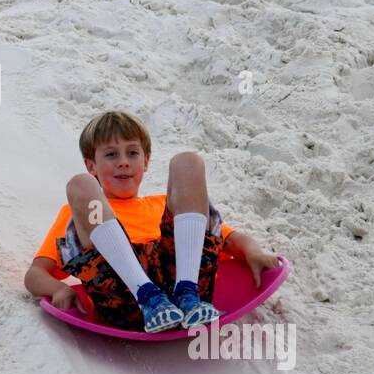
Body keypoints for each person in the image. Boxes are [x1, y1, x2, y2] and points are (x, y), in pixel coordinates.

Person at [25, 110, 281, 332]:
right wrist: (58, 289)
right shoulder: (82, 214)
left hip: (186, 287)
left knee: (187, 162)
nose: (123, 162)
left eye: (132, 153)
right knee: (79, 185)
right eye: (111, 155)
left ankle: (186, 293)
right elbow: (35, 274)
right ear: (92, 165)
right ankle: (147, 296)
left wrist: (252, 251)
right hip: (124, 299)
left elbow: (230, 239)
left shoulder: (165, 203)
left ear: (146, 161)